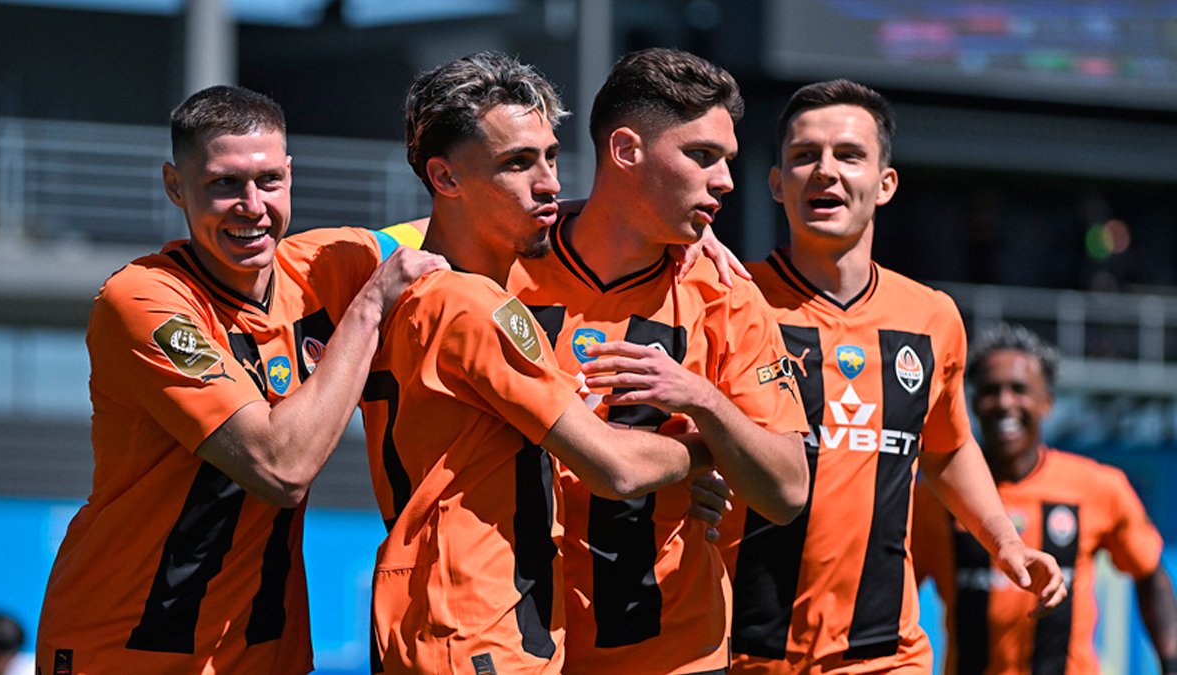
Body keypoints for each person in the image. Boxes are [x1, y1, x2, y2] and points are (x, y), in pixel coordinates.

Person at [35, 85, 446, 674]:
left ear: (289, 175)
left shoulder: (331, 263)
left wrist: (565, 214)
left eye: (269, 180)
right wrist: (369, 308)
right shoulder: (145, 300)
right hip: (124, 650)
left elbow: (464, 225)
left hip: (264, 655)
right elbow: (280, 467)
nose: (252, 206)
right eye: (224, 183)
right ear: (175, 186)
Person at [362, 51, 717, 674]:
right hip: (477, 632)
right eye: (518, 163)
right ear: (445, 178)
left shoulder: (404, 285)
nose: (550, 182)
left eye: (550, 157)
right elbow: (615, 467)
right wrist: (708, 449)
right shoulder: (474, 305)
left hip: (431, 622)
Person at [716, 79, 1068, 673]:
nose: (825, 171)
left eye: (849, 155)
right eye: (804, 155)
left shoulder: (931, 317)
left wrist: (1005, 542)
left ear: (885, 184)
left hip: (885, 655)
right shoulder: (728, 298)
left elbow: (947, 447)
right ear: (777, 183)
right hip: (743, 651)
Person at [500, 47, 809, 674]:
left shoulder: (724, 292)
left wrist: (705, 402)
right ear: (626, 150)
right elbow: (389, 245)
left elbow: (787, 490)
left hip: (675, 653)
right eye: (702, 155)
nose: (725, 180)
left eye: (726, 159)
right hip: (519, 650)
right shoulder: (496, 266)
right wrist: (701, 454)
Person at [913, 323, 1177, 674]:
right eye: (991, 390)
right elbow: (895, 589)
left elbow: (1149, 573)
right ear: (973, 404)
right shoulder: (934, 497)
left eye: (1019, 389)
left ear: (1047, 402)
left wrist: (1170, 661)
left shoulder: (1099, 487)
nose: (1005, 402)